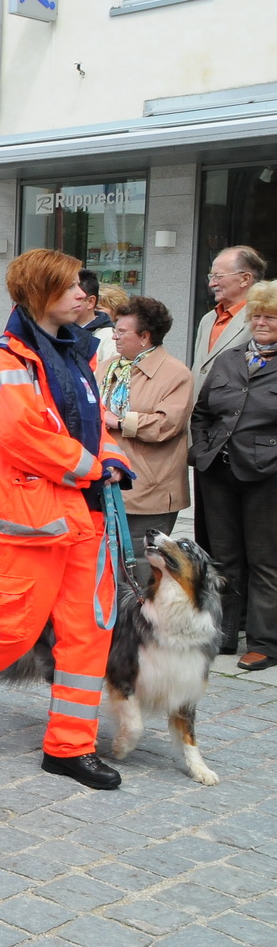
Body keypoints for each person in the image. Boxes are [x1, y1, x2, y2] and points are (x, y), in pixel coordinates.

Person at [0, 249, 132, 790]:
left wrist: (114, 458)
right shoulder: (5, 361)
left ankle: (69, 748)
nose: (84, 294)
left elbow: (89, 423)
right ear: (39, 294)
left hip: (82, 522)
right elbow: (23, 437)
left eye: (83, 286)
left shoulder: (73, 354)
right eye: (71, 286)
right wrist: (92, 466)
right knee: (8, 638)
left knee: (87, 639)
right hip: (30, 527)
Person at [191, 280, 277, 670]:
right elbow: (203, 412)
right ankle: (222, 635)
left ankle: (263, 642)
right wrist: (201, 448)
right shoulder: (230, 359)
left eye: (270, 317)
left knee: (264, 562)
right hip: (218, 471)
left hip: (266, 477)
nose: (261, 322)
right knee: (223, 559)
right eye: (257, 315)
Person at [98, 296, 193, 588]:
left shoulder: (175, 373)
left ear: (145, 337)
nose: (114, 336)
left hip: (150, 486)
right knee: (104, 563)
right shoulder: (108, 366)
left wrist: (121, 421)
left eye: (121, 331)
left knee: (141, 565)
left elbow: (168, 424)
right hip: (106, 478)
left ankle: (142, 629)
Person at [194, 246, 264, 389]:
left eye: (218, 276)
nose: (211, 283)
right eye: (211, 276)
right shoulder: (208, 319)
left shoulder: (261, 321)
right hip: (198, 409)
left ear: (245, 278)